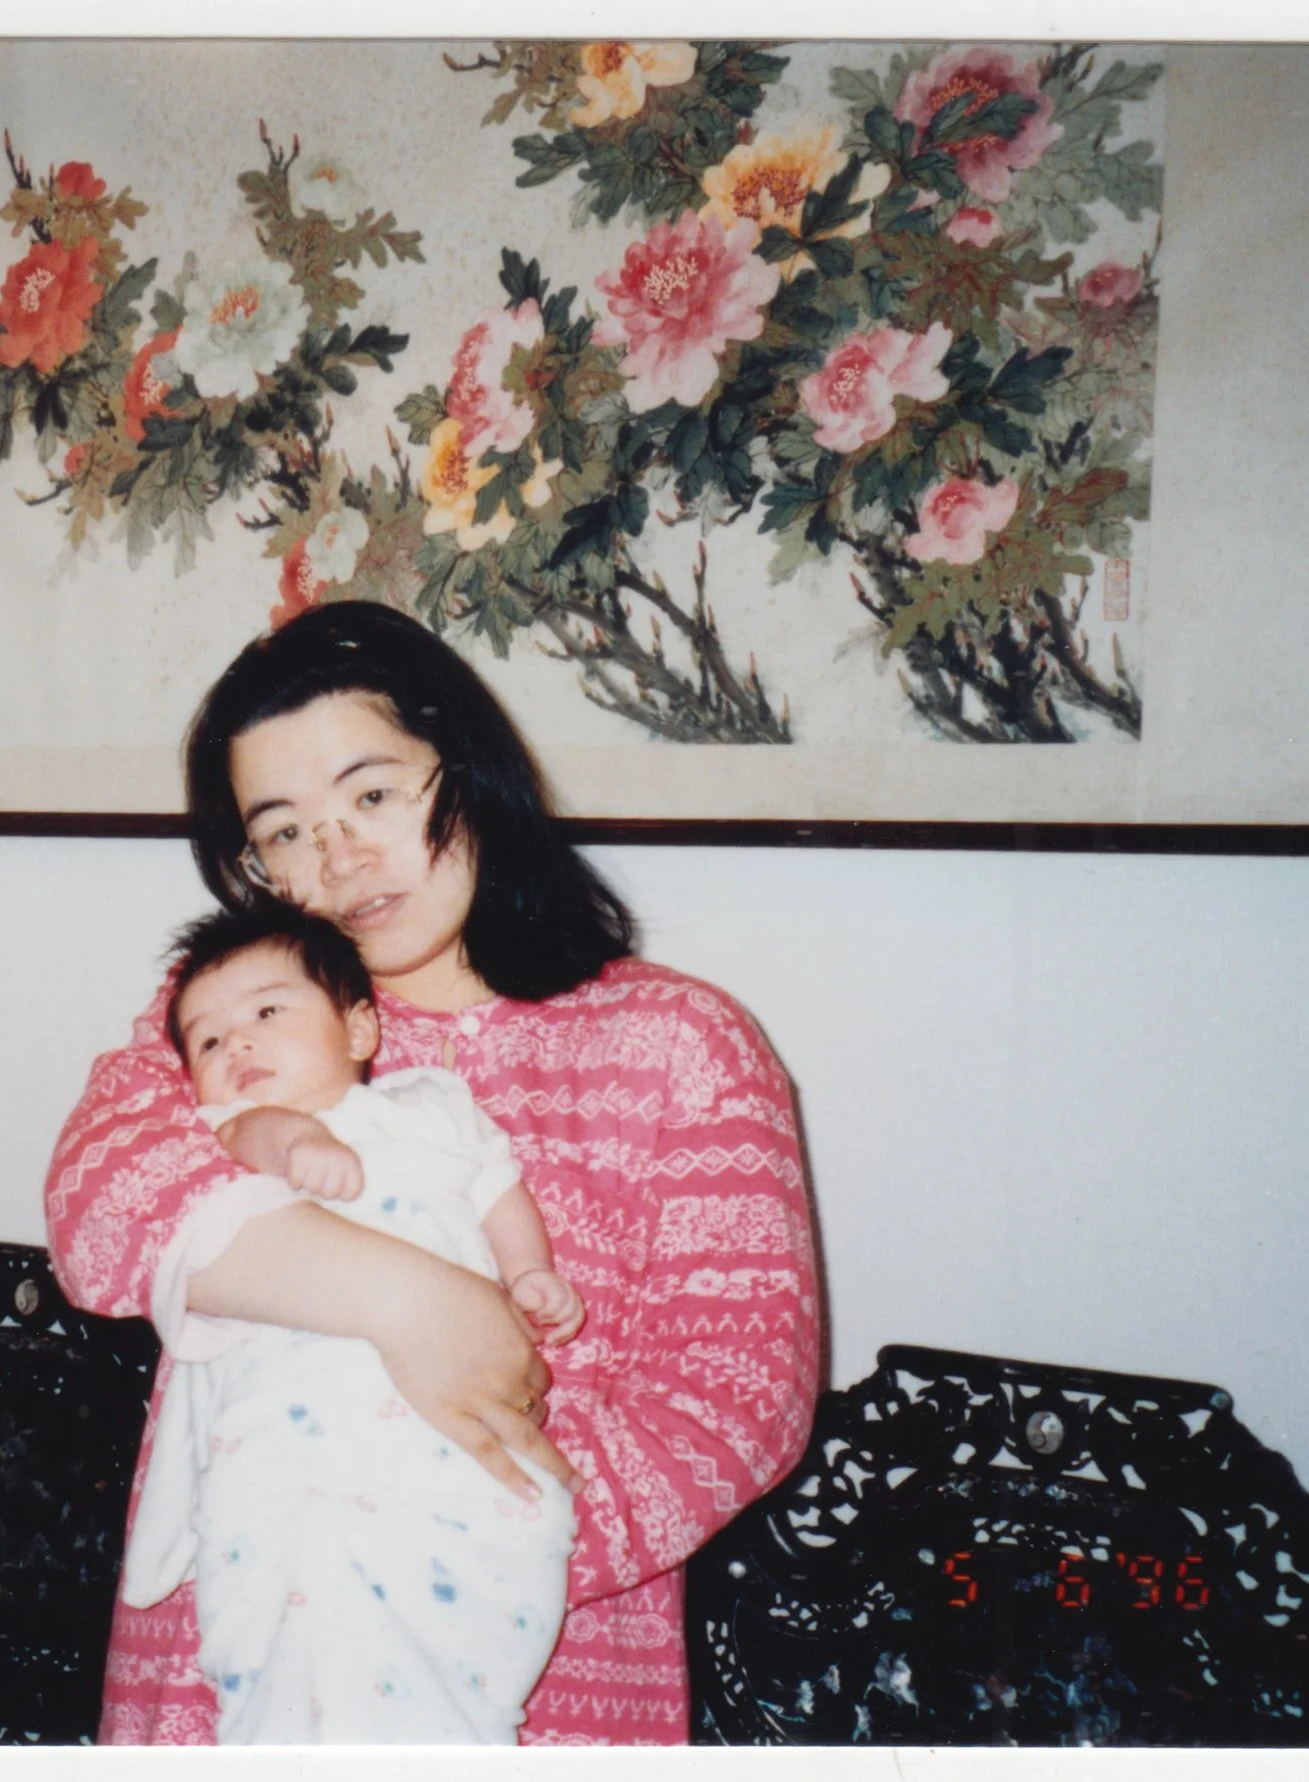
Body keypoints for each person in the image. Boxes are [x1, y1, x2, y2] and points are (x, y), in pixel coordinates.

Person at [45, 600, 822, 1745]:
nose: (339, 857)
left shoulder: (681, 1046)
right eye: (285, 830)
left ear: (467, 769)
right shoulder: (241, 1024)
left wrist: (439, 1531)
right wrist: (409, 1301)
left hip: (538, 1659)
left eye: (371, 795)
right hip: (228, 1659)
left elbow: (734, 1396)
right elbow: (102, 1213)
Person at [124, 902, 584, 1742]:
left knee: (486, 1576)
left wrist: (528, 1274)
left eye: (267, 1012)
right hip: (297, 1428)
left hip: (442, 1435)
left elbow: (496, 1189)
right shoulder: (232, 1131)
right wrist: (296, 1142)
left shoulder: (435, 1107)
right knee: (306, 1609)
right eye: (209, 1041)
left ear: (362, 1028)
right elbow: (249, 1133)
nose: (240, 1046)